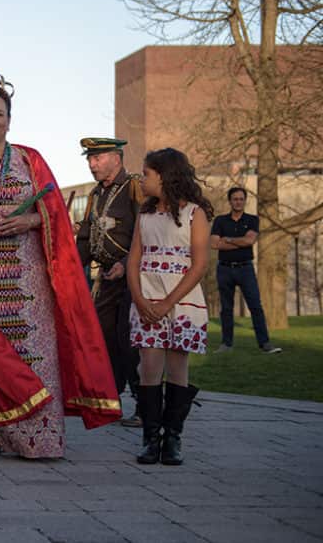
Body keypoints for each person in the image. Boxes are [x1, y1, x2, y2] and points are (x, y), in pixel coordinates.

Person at [0, 73, 121, 461]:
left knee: (34, 350)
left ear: (10, 119)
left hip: (29, 273)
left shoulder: (30, 159)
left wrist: (30, 221)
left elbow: (54, 213)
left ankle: (43, 437)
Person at [127, 148, 212, 465]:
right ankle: (151, 438)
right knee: (149, 368)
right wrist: (139, 297)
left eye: (146, 173)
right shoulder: (145, 215)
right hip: (147, 299)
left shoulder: (194, 214)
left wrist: (167, 303)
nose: (142, 178)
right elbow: (134, 259)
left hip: (181, 301)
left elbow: (199, 264)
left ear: (163, 175)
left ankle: (173, 438)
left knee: (177, 368)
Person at [75, 137, 143, 427]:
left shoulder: (135, 188)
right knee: (103, 340)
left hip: (133, 278)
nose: (92, 164)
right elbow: (86, 239)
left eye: (98, 158)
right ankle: (109, 400)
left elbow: (147, 233)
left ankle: (145, 405)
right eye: (89, 159)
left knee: (130, 342)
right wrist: (73, 272)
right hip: (104, 278)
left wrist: (126, 265)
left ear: (116, 158)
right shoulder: (94, 195)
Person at [211, 187, 281, 354]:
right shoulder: (220, 220)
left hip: (245, 268)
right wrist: (239, 241)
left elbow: (250, 241)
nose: (238, 202)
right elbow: (214, 244)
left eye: (241, 199)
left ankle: (265, 344)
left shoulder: (252, 220)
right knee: (226, 308)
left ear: (245, 201)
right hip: (225, 269)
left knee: (255, 306)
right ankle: (226, 344)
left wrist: (227, 239)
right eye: (235, 199)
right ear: (230, 201)